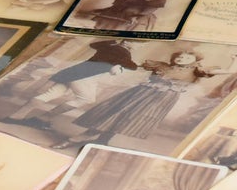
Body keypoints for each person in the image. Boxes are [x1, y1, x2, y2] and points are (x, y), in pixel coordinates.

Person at [70, 49, 214, 143]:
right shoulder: (161, 65)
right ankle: (86, 135)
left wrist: (233, 60)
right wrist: (119, 65)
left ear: (195, 61)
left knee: (133, 117)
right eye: (179, 56)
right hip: (142, 92)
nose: (181, 58)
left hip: (162, 99)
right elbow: (135, 65)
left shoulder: (197, 71)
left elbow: (222, 71)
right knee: (118, 111)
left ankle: (103, 140)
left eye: (187, 57)